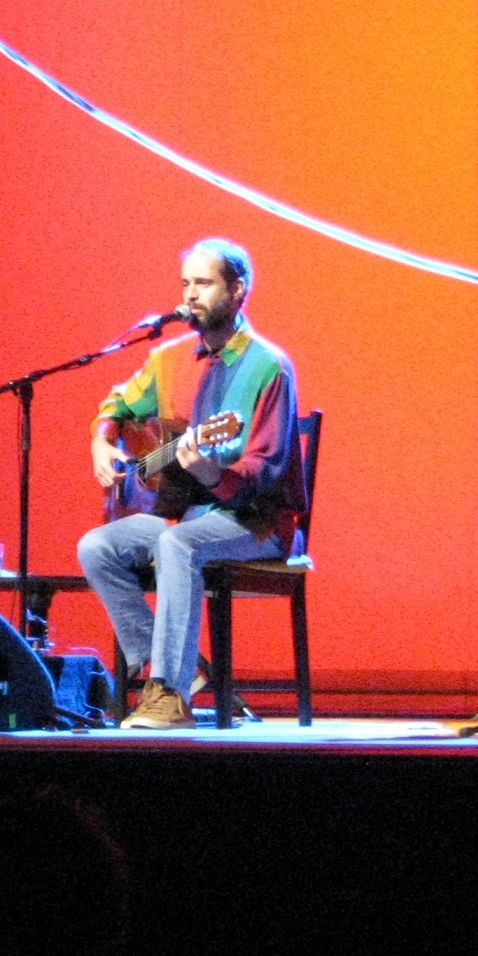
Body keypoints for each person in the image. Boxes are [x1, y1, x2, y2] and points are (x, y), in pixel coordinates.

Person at [77, 238, 303, 729]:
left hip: (257, 522)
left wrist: (209, 472)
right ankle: (169, 668)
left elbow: (263, 471)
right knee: (97, 546)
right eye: (186, 284)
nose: (191, 294)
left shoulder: (269, 366)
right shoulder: (168, 359)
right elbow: (117, 404)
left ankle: (171, 695)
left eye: (204, 283)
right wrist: (102, 440)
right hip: (187, 516)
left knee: (177, 543)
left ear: (238, 290)